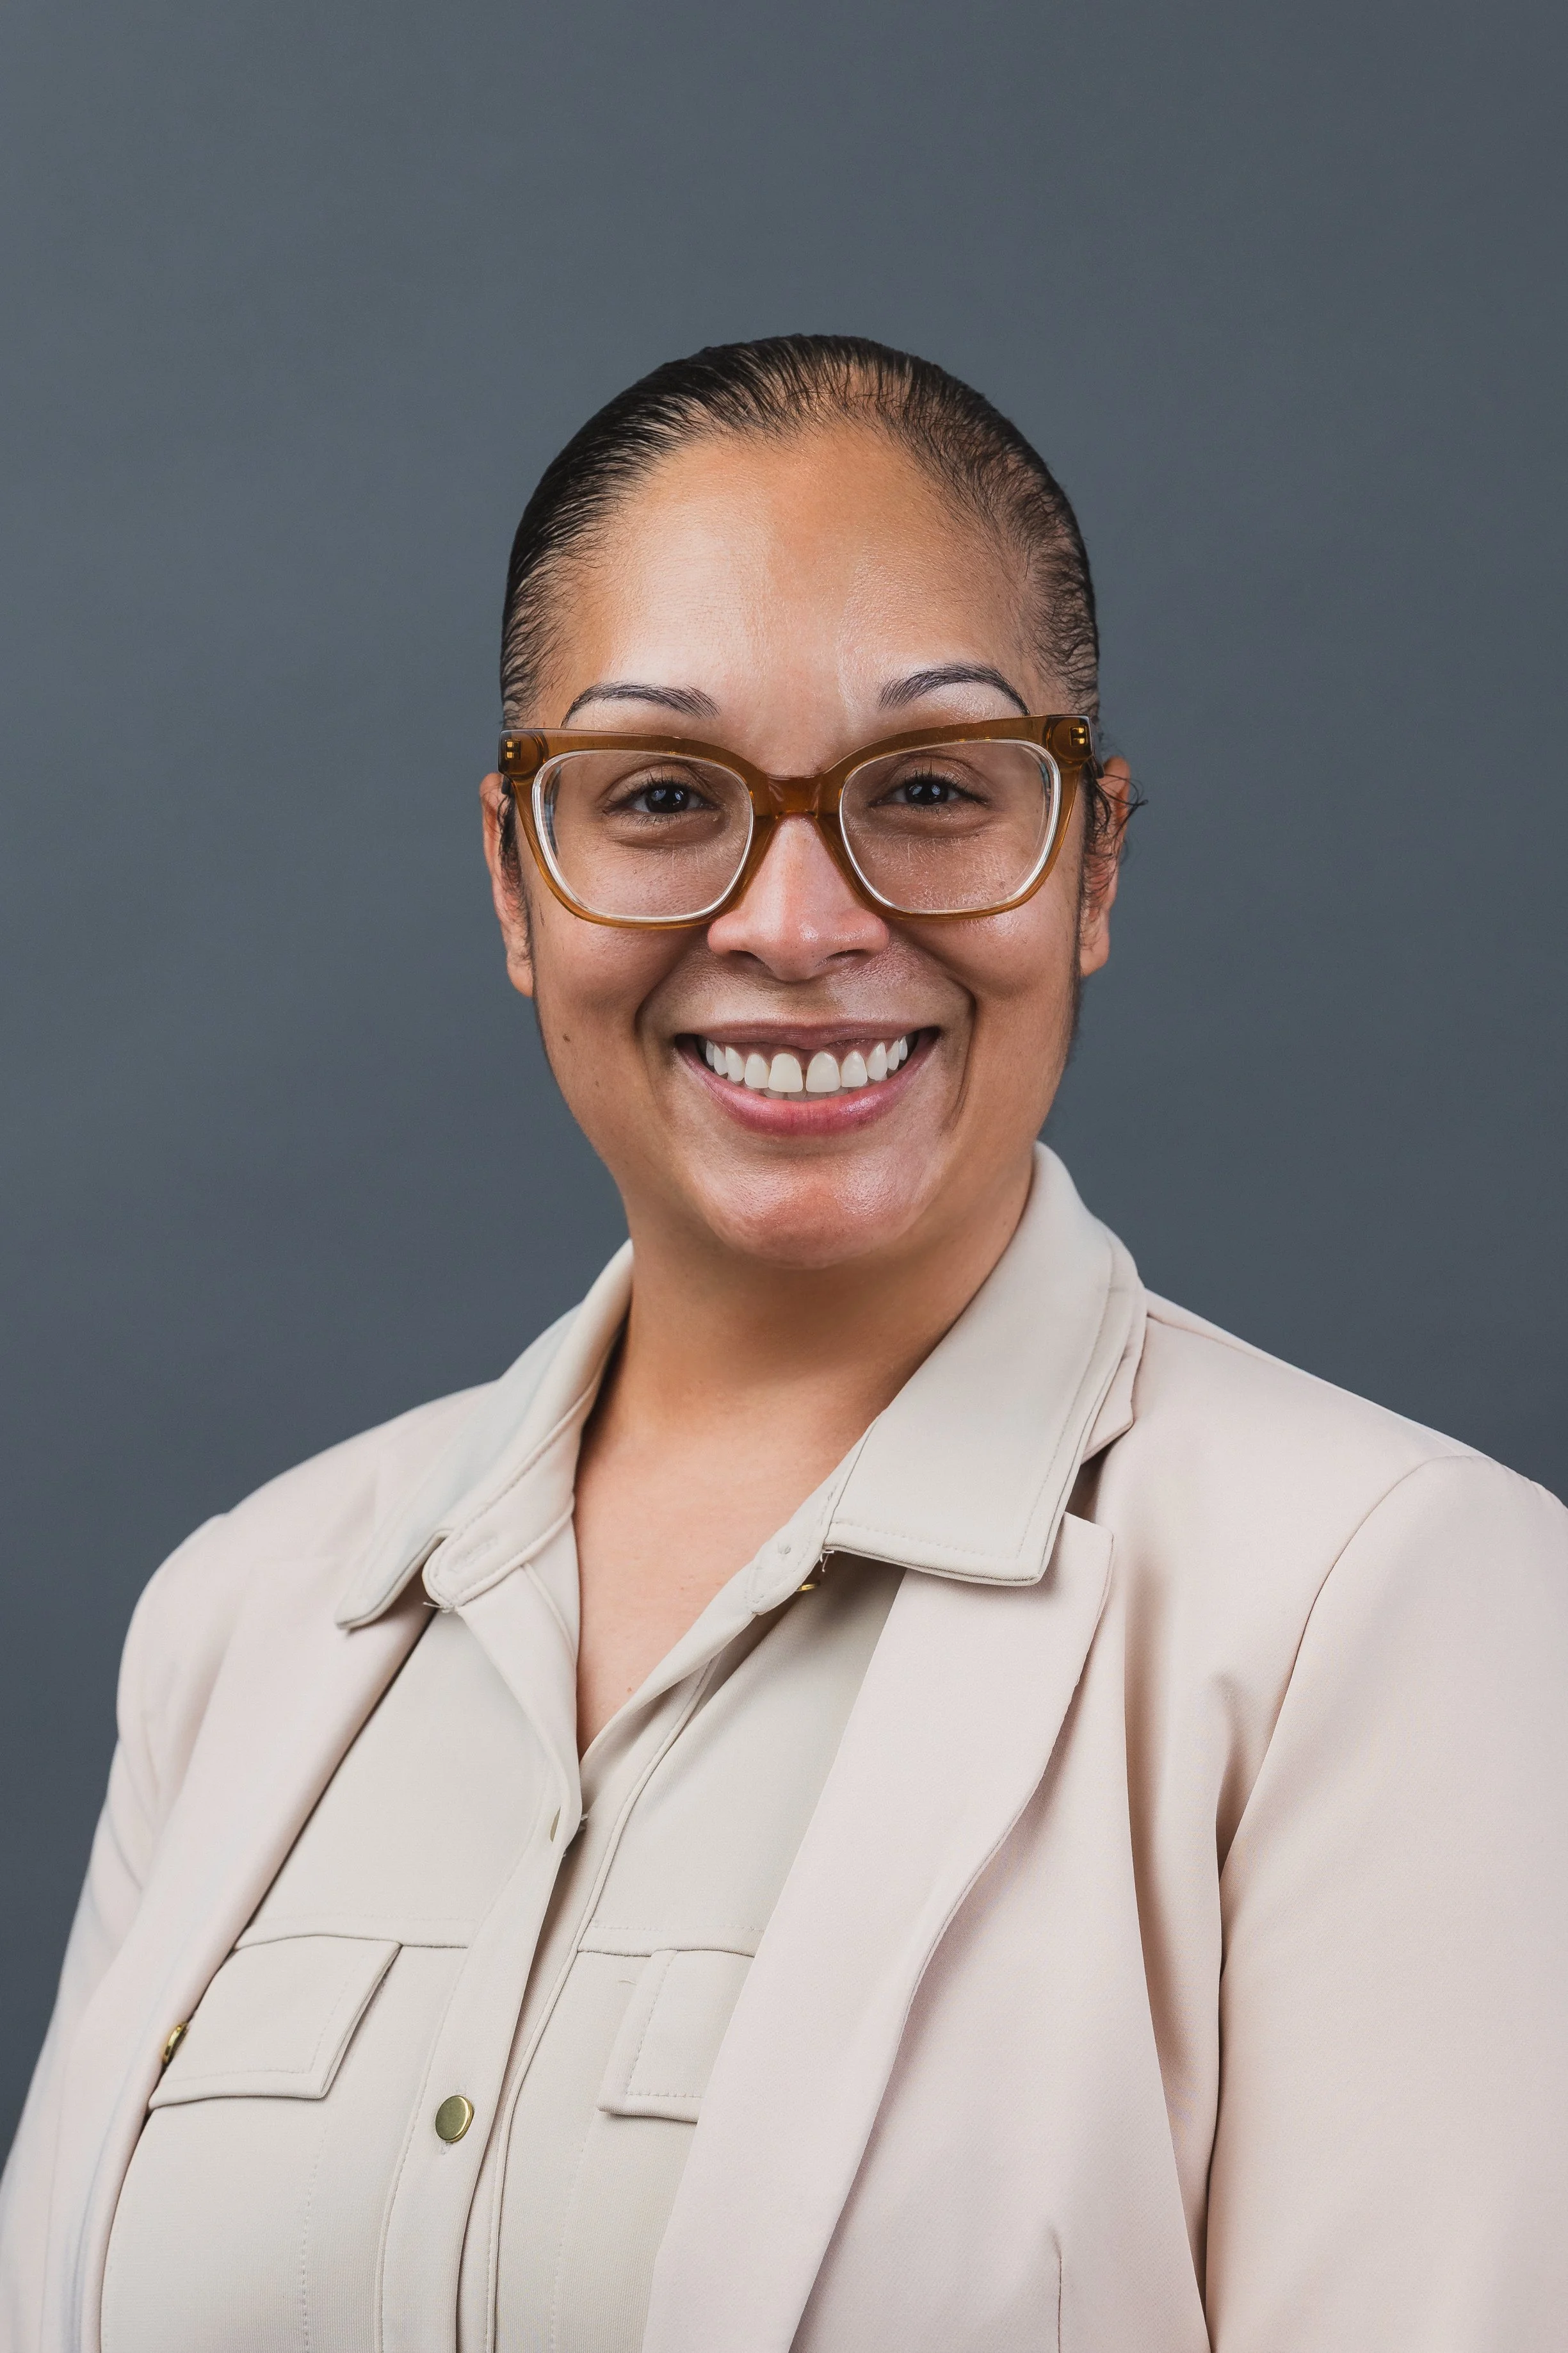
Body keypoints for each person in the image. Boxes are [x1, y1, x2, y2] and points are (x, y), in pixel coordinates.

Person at [3, 335, 1565, 2353]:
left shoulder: (1404, 1612)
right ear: (514, 879)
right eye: (662, 795)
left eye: (929, 789)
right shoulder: (245, 1617)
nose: (798, 918)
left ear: (1091, 864)